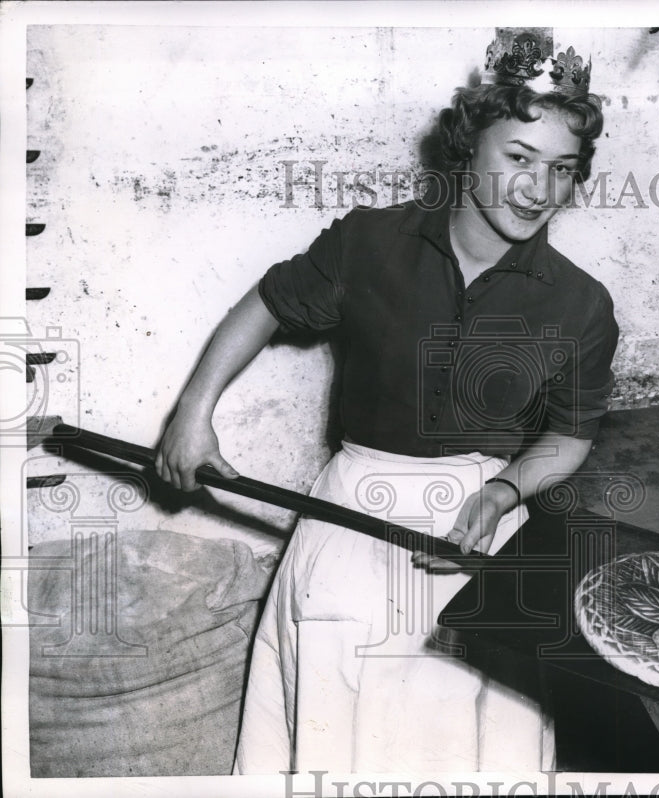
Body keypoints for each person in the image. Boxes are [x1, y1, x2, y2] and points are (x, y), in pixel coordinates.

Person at [155, 27, 619, 773]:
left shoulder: (581, 302)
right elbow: (268, 303)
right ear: (468, 148)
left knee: (474, 733)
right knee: (339, 720)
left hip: (483, 523)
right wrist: (192, 414)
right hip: (355, 510)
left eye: (562, 170)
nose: (540, 189)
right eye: (519, 158)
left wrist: (504, 490)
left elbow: (569, 436)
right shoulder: (369, 243)